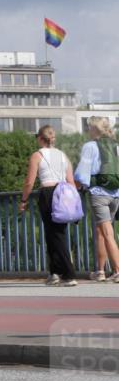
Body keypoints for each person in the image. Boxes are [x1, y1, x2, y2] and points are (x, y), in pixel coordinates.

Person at [19, 125, 79, 287]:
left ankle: (69, 273)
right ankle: (54, 273)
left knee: (55, 235)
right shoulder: (62, 155)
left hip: (47, 193)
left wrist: (23, 200)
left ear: (40, 138)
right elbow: (71, 180)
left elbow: (29, 182)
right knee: (55, 234)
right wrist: (74, 202)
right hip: (63, 192)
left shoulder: (37, 156)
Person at [75, 116, 119, 282]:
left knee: (107, 233)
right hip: (115, 193)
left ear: (94, 130)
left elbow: (82, 172)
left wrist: (75, 185)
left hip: (99, 193)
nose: (88, 131)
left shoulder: (90, 146)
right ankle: (100, 271)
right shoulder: (115, 146)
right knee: (101, 231)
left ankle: (117, 270)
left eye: (89, 128)